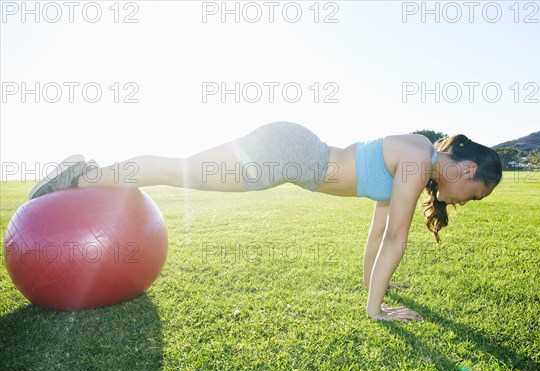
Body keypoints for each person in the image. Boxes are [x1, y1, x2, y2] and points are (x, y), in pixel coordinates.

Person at [29, 121, 502, 322]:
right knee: (181, 171)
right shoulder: (418, 158)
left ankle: (86, 172)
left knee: (183, 168)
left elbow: (379, 232)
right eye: (472, 194)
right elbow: (397, 237)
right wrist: (374, 310)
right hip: (290, 157)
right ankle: (84, 175)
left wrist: (374, 287)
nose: (464, 201)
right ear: (464, 170)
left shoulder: (416, 158)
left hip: (291, 154)